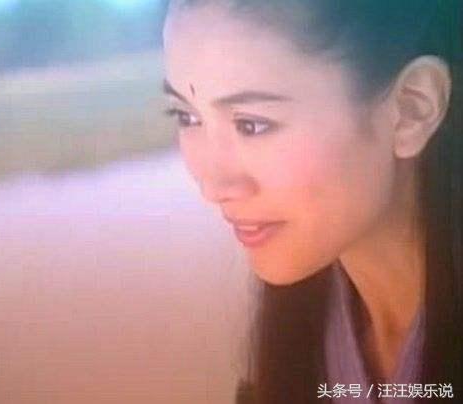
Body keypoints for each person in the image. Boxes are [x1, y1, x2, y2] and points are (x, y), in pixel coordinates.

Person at [161, 1, 462, 403]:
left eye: (252, 124)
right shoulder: (303, 331)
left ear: (412, 109)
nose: (213, 187)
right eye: (186, 117)